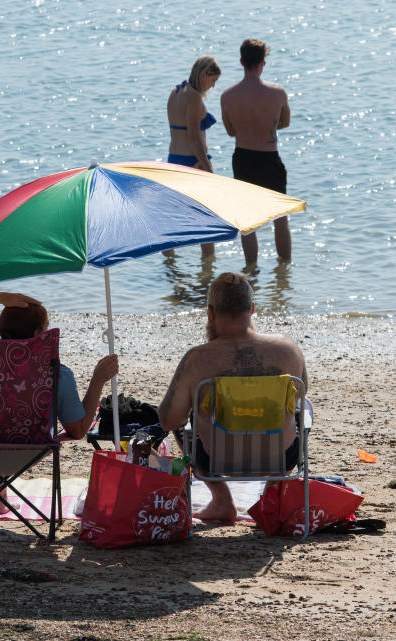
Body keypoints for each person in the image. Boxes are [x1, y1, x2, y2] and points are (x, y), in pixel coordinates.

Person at [0, 292, 119, 513]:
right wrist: (98, 380)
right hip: (28, 449)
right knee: (11, 419)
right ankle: (0, 496)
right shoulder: (55, 373)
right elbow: (78, 430)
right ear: (38, 334)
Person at [158, 272, 308, 522]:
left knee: (182, 421)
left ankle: (222, 499)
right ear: (251, 309)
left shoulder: (198, 358)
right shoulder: (287, 349)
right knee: (297, 408)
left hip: (215, 458)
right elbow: (303, 393)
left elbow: (168, 420)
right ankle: (272, 494)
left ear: (211, 313)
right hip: (281, 455)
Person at [221, 38, 292, 264]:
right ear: (263, 63)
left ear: (241, 61)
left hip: (243, 158)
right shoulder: (278, 93)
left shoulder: (227, 96)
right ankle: (284, 276)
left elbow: (231, 131)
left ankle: (251, 271)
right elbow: (285, 123)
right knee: (280, 217)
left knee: (247, 220)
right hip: (269, 157)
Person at [167, 55, 222, 257]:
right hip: (193, 161)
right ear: (204, 74)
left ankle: (170, 268)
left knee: (172, 218)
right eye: (213, 80)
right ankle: (207, 269)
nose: (213, 86)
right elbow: (193, 136)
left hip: (174, 160)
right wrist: (207, 168)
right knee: (206, 220)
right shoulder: (193, 97)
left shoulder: (175, 92)